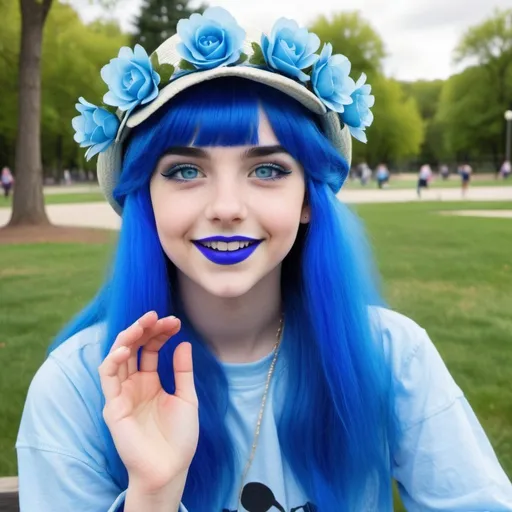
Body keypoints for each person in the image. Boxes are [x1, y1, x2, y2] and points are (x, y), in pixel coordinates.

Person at [16, 8, 512, 512]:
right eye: (186, 170)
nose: (227, 208)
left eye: (268, 169)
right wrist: (154, 493)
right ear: (146, 198)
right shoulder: (77, 389)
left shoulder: (391, 355)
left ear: (306, 201)